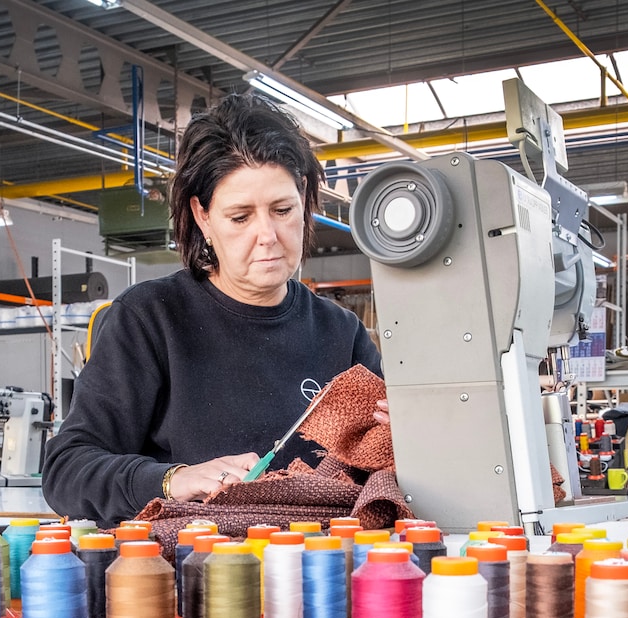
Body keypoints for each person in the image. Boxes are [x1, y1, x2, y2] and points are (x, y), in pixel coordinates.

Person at [42, 94, 385, 526]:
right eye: (240, 217)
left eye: (282, 210)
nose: (268, 235)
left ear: (303, 200)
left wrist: (402, 435)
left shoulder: (341, 332)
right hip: (194, 575)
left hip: (318, 571)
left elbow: (382, 468)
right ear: (202, 216)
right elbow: (66, 472)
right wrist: (171, 479)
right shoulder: (150, 319)